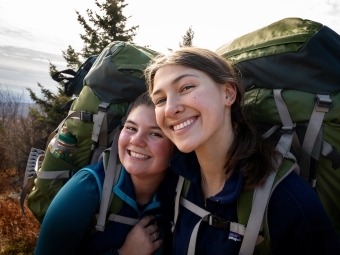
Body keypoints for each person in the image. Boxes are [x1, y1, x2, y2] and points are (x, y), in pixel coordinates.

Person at [145, 47, 340, 254]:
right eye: (160, 100)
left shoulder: (288, 202)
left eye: (186, 87)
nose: (170, 109)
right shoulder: (175, 181)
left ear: (228, 93)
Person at [34, 92, 178, 255]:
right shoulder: (87, 187)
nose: (136, 140)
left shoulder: (183, 195)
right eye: (131, 128)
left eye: (155, 133)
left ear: (177, 145)